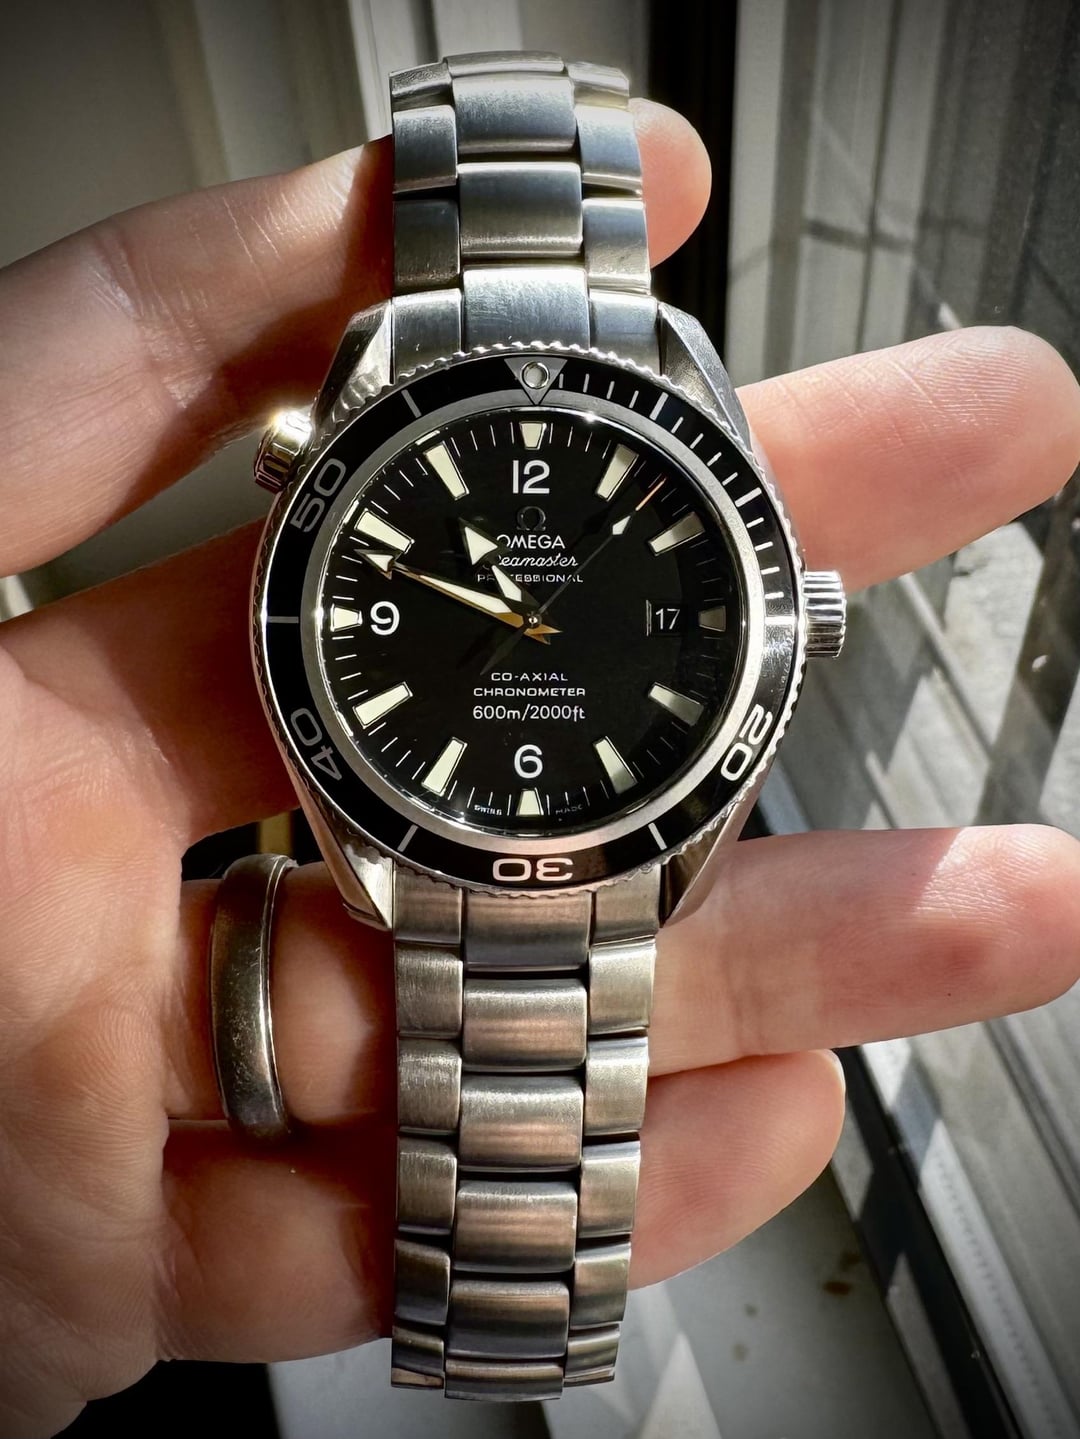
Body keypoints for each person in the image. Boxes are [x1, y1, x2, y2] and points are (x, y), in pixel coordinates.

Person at [0, 99, 1078, 1438]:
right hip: (421, 831)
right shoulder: (492, 418)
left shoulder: (664, 420)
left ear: (793, 619)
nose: (527, 629)